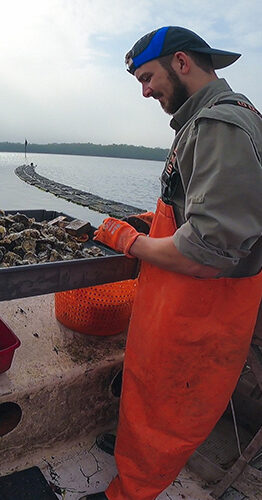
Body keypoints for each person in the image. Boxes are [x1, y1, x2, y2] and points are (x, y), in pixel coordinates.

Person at [80, 26, 262, 500]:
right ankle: (131, 453)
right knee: (147, 394)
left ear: (182, 62)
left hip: (200, 309)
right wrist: (147, 220)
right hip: (177, 302)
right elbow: (197, 208)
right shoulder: (208, 119)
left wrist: (127, 240)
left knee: (169, 406)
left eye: (147, 77)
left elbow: (207, 251)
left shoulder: (219, 126)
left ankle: (129, 492)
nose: (144, 91)